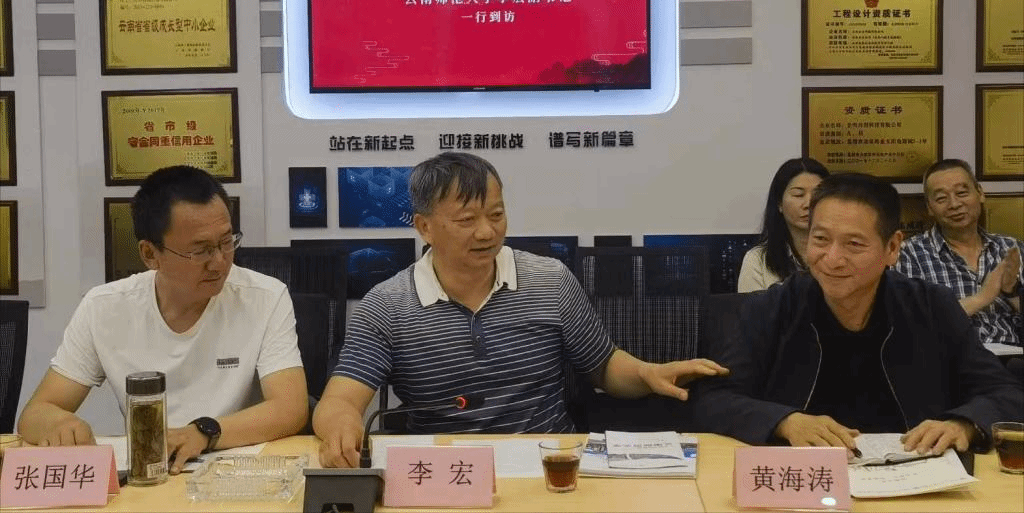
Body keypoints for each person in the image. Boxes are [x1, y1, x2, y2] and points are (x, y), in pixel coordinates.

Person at [314, 152, 728, 467]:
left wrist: (645, 373)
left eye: (496, 214)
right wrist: (340, 425)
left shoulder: (550, 280)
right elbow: (339, 400)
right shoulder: (386, 306)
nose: (487, 231)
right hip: (442, 469)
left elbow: (603, 367)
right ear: (424, 227)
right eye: (467, 220)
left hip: (547, 462)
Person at [697, 173, 1023, 454]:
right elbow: (713, 399)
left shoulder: (931, 306)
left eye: (853, 244)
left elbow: (1005, 393)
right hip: (806, 477)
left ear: (892, 248)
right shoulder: (773, 308)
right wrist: (784, 421)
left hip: (912, 473)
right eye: (820, 239)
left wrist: (963, 424)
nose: (832, 258)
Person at [17, 166, 308, 473]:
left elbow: (290, 408)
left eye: (226, 242)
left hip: (234, 475)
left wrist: (203, 433)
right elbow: (35, 413)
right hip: (149, 475)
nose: (220, 262)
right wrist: (59, 423)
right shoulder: (104, 308)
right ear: (150, 254)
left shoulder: (264, 297)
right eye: (201, 251)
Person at [896, 159, 1022, 346]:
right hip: (951, 359)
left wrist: (1012, 292)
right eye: (941, 198)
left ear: (980, 193)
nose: (954, 204)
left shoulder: (1011, 248)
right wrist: (982, 298)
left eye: (962, 193)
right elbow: (912, 324)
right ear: (929, 208)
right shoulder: (909, 254)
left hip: (1015, 356)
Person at [737, 158, 830, 292]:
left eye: (817, 195)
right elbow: (752, 305)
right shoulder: (757, 260)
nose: (809, 204)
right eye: (798, 195)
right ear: (779, 203)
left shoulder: (841, 254)